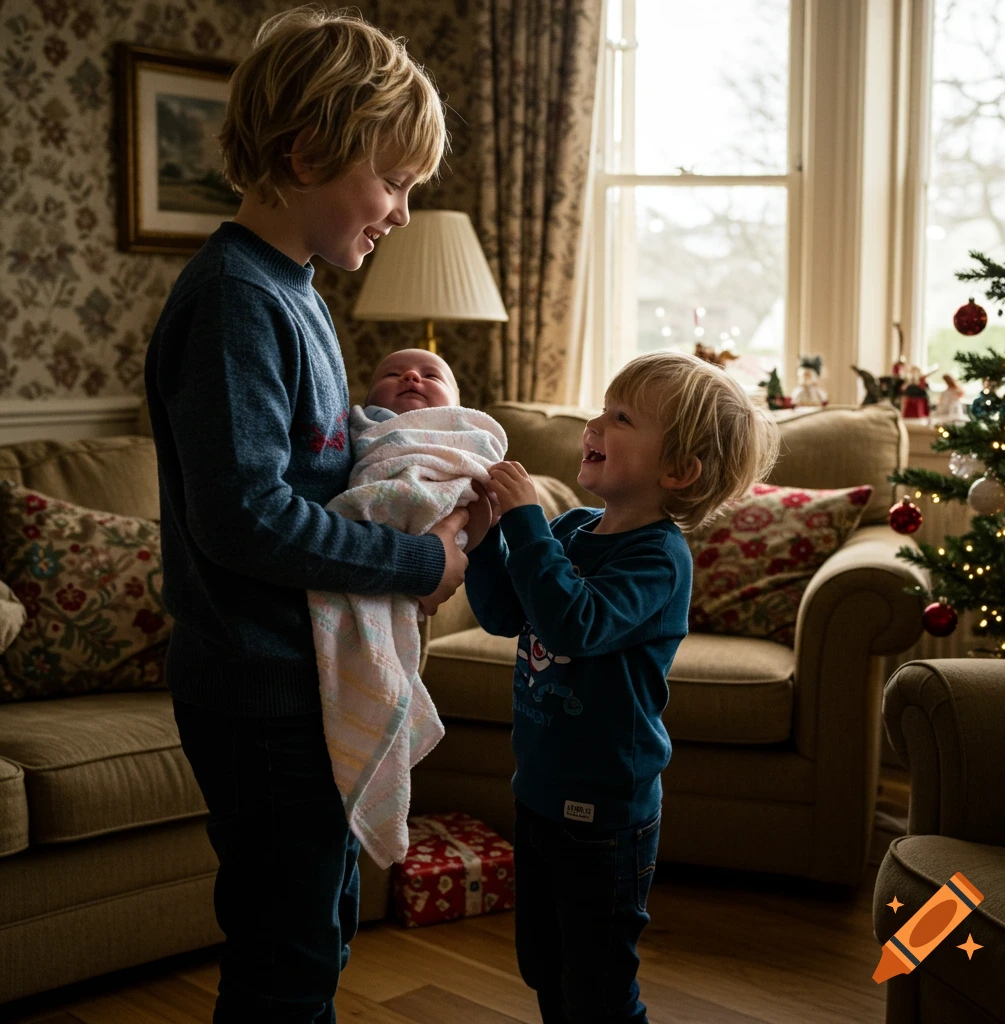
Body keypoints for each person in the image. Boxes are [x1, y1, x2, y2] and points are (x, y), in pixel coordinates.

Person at [143, 9, 464, 1022]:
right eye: (395, 182)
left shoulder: (295, 291)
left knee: (316, 930)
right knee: (285, 955)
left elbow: (317, 471)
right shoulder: (238, 299)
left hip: (292, 681)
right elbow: (245, 516)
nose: (403, 213)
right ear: (308, 152)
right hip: (255, 688)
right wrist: (419, 563)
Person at [465, 351, 779, 1024]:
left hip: (605, 814)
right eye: (602, 407)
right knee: (543, 966)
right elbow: (503, 613)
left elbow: (573, 623)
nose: (595, 422)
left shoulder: (658, 560)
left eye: (621, 416)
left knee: (599, 984)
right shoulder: (572, 530)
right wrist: (488, 536)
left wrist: (524, 521)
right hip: (538, 793)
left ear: (678, 471)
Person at [308, 348, 504, 870]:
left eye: (431, 374)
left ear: (457, 406)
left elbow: (477, 496)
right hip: (372, 540)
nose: (410, 376)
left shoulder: (461, 435)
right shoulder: (363, 431)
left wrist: (456, 519)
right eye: (390, 374)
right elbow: (356, 487)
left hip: (413, 550)